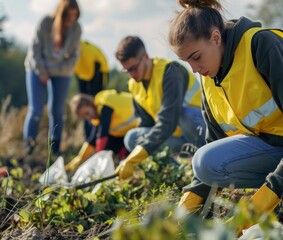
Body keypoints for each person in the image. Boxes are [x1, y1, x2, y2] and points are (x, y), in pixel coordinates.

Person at [168, 0, 283, 232]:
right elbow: (215, 142)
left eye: (196, 57)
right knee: (204, 162)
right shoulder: (209, 77)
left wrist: (269, 194)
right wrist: (185, 207)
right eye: (186, 61)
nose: (194, 69)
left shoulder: (262, 45)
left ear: (216, 38)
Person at [113, 36, 206, 180]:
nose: (131, 75)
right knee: (132, 138)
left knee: (183, 114)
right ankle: (177, 174)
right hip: (175, 137)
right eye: (126, 71)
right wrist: (132, 158)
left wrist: (139, 154)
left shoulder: (171, 71)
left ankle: (206, 165)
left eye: (133, 68)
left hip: (200, 130)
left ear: (145, 57)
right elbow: (146, 123)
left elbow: (168, 121)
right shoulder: (134, 84)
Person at [23, 0, 81, 156]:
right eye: (68, 15)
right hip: (37, 68)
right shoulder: (46, 23)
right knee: (35, 109)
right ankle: (29, 145)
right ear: (61, 13)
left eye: (75, 16)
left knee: (57, 109)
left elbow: (74, 57)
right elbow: (35, 49)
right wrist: (41, 70)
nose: (71, 19)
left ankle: (55, 148)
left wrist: (57, 70)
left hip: (61, 71)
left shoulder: (76, 29)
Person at [65, 89, 138, 171]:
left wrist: (98, 160)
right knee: (108, 141)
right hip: (131, 130)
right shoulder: (98, 112)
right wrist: (80, 158)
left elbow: (102, 134)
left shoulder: (105, 103)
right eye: (84, 117)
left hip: (143, 125)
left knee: (107, 141)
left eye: (87, 113)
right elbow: (92, 140)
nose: (88, 118)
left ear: (90, 104)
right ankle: (125, 156)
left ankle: (129, 158)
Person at [73, 39, 110, 141]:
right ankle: (88, 139)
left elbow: (91, 75)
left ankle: (98, 137)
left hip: (99, 69)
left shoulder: (87, 53)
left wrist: (91, 97)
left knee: (95, 105)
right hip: (83, 73)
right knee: (83, 107)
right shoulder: (69, 53)